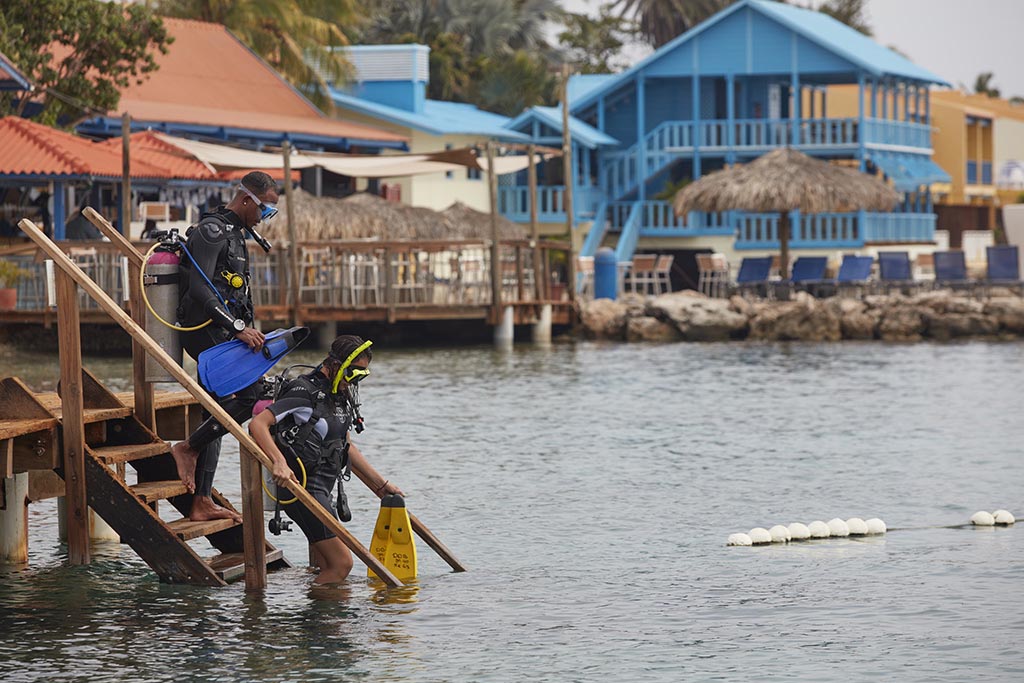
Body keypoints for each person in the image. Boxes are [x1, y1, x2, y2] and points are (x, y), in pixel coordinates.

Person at [249, 334, 403, 584]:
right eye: (353, 372)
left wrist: (381, 486)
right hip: (301, 490)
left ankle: (324, 620)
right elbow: (258, 424)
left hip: (324, 489)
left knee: (329, 566)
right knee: (341, 564)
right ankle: (314, 620)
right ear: (335, 364)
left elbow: (346, 446)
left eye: (362, 374)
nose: (354, 380)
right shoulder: (303, 390)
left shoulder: (339, 394)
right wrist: (279, 462)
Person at [169, 171, 278, 522]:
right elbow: (201, 292)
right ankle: (187, 448)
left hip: (226, 333)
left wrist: (242, 327)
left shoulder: (237, 235)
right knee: (249, 397)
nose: (264, 219)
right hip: (203, 332)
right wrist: (237, 328)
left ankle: (201, 501)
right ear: (247, 200)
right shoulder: (212, 232)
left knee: (218, 410)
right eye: (265, 210)